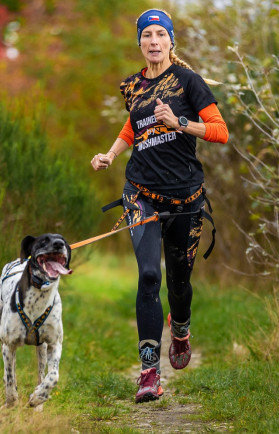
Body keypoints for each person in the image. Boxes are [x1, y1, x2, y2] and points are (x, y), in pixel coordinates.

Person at [90, 8, 229, 403]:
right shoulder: (133, 86)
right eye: (147, 35)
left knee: (179, 282)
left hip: (185, 197)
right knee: (150, 276)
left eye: (160, 35)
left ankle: (180, 329)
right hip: (141, 194)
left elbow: (220, 132)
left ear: (171, 42)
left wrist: (180, 123)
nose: (153, 41)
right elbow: (133, 126)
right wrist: (112, 154)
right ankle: (149, 372)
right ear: (139, 43)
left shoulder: (189, 81)